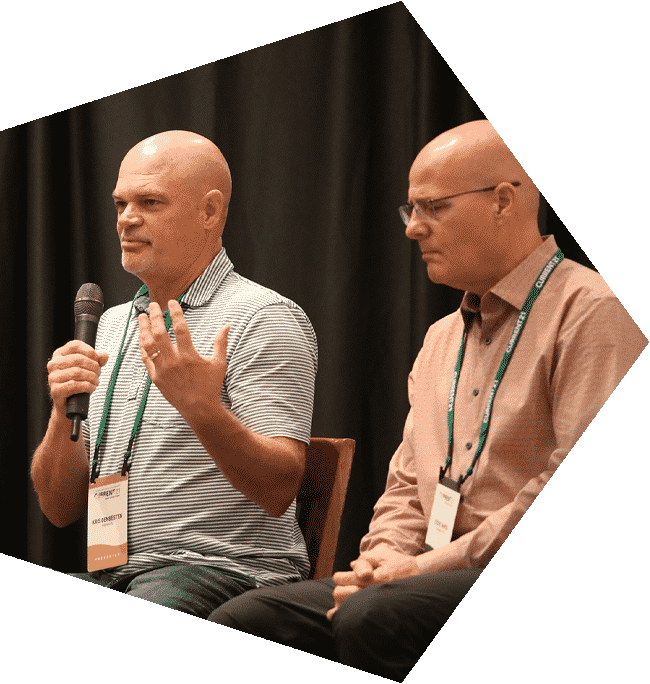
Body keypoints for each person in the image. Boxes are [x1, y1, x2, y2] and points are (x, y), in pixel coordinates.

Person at [207, 120, 647, 681]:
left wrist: (420, 569)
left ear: (504, 201)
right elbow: (407, 486)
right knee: (246, 620)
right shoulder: (442, 337)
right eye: (410, 210)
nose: (413, 229)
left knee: (376, 617)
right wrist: (381, 559)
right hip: (424, 574)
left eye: (433, 207)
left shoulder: (595, 311)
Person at [30, 130, 318, 617]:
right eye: (120, 203)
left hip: (223, 570)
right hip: (113, 571)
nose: (126, 218)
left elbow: (278, 489)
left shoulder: (263, 318)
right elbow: (59, 509)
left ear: (210, 211)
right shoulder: (111, 324)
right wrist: (63, 411)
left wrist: (201, 408)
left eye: (150, 202)